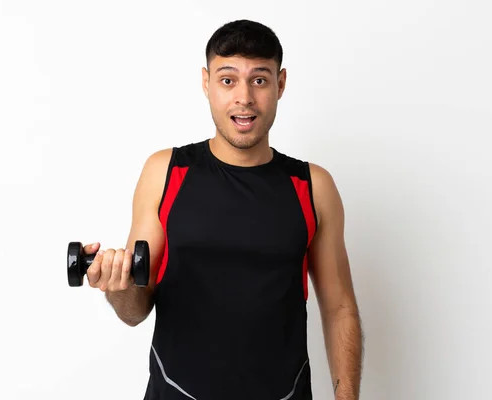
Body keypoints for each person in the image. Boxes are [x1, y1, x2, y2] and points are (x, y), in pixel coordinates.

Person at [83, 19, 363, 400]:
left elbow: (339, 308)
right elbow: (135, 309)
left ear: (280, 84)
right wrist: (115, 287)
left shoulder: (313, 187)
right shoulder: (165, 172)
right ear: (206, 82)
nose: (244, 98)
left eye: (259, 80)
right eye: (228, 80)